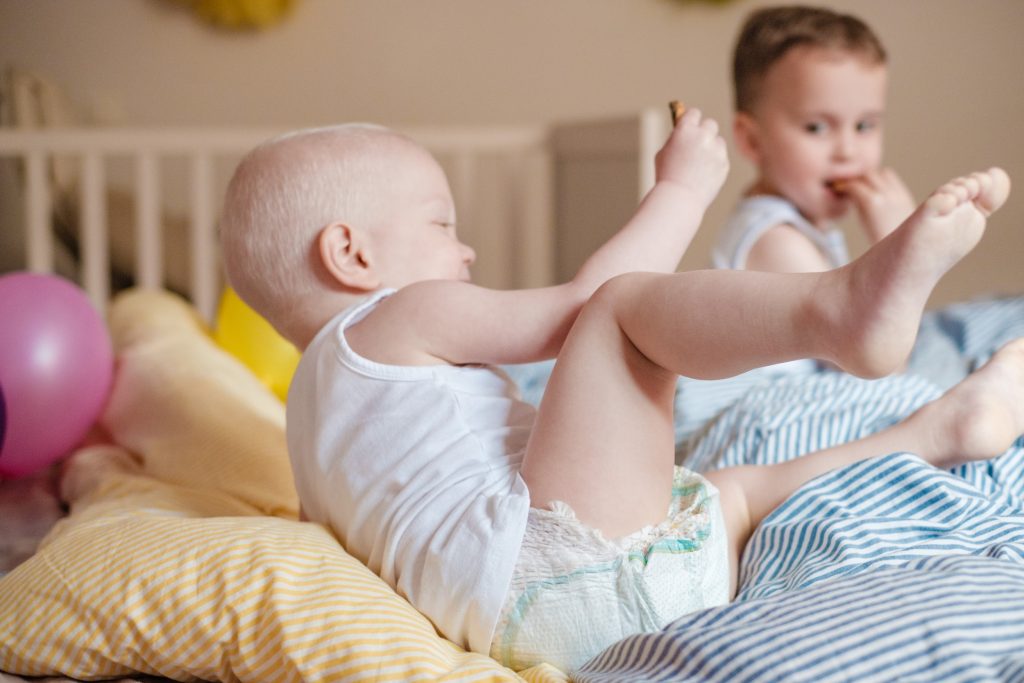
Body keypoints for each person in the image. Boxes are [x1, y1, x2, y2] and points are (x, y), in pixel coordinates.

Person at [219, 115, 1017, 672]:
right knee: (621, 314)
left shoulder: (307, 414)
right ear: (350, 254)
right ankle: (837, 310)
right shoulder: (392, 314)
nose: (463, 251)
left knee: (730, 495)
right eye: (440, 224)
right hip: (549, 566)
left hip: (533, 629)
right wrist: (681, 190)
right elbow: (577, 310)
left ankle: (942, 429)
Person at [713, 5, 917, 274]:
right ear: (752, 140)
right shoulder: (778, 243)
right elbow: (873, 318)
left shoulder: (799, 227)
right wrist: (903, 250)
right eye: (817, 128)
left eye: (864, 125)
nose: (847, 150)